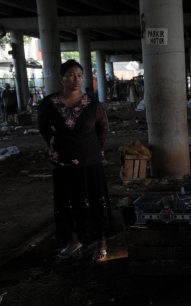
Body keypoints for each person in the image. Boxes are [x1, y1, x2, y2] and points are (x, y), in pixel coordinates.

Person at [38, 59, 113, 262]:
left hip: (90, 160)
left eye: (79, 75)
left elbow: (103, 127)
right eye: (71, 75)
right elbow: (44, 128)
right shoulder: (48, 104)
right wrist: (56, 148)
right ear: (61, 78)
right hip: (62, 162)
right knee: (67, 201)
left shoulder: (92, 103)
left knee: (95, 199)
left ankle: (102, 240)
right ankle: (74, 240)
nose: (76, 79)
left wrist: (94, 149)